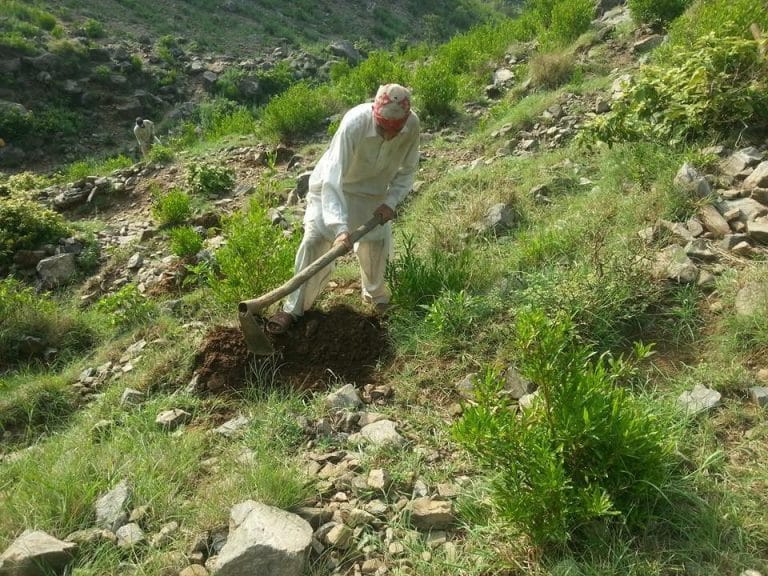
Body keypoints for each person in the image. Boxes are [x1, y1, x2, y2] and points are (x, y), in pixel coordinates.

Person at [266, 83, 420, 334]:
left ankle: (376, 297)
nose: (389, 136)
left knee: (377, 244)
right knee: (314, 241)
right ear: (375, 114)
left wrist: (390, 202)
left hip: (373, 195)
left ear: (404, 120)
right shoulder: (355, 123)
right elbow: (333, 177)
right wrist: (339, 227)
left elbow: (408, 170)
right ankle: (292, 310)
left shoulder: (412, 125)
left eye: (396, 130)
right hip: (333, 188)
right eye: (383, 128)